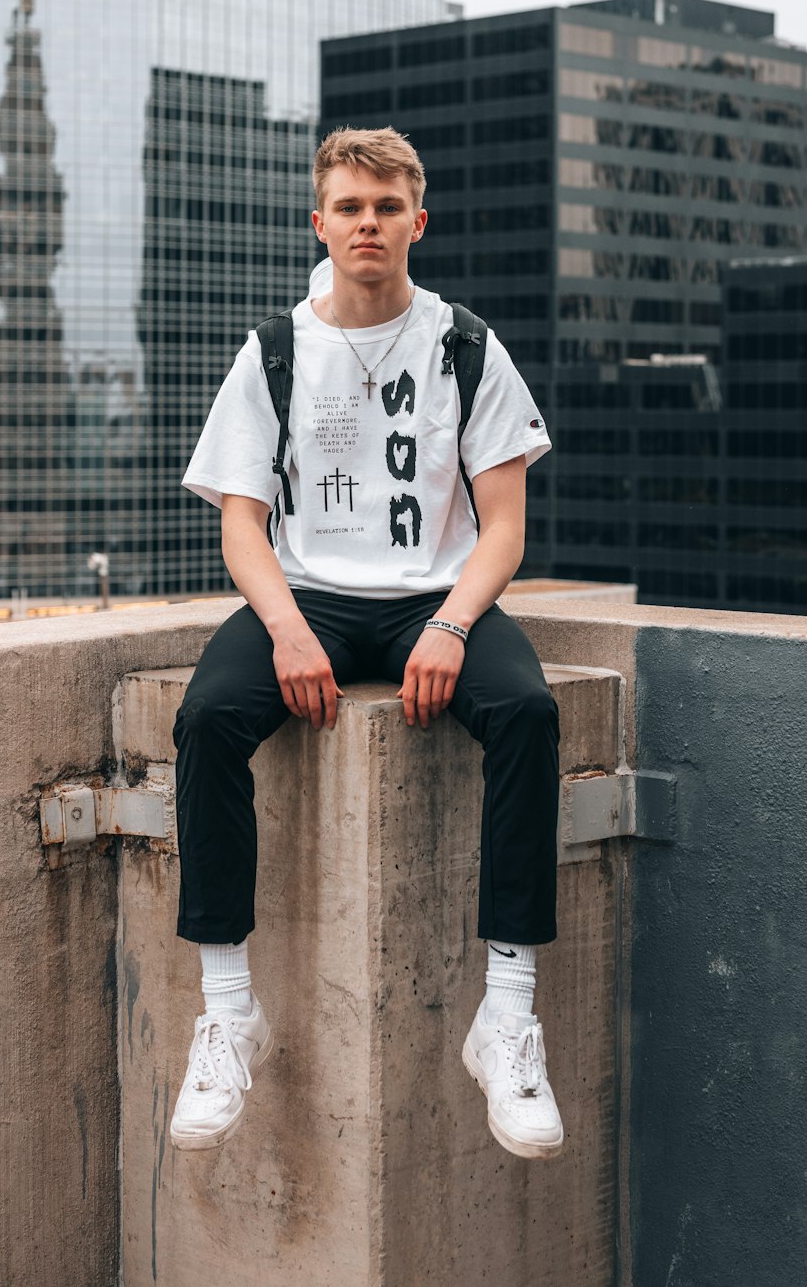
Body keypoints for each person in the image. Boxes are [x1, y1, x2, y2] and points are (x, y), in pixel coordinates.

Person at [170, 126, 562, 1160]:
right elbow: (241, 523)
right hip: (311, 598)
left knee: (526, 709)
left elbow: (506, 525)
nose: (368, 223)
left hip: (434, 594)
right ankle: (226, 1011)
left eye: (387, 208)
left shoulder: (466, 345)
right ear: (321, 222)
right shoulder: (275, 350)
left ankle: (508, 1015)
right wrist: (290, 631)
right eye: (349, 207)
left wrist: (449, 623)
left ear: (415, 222)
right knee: (209, 716)